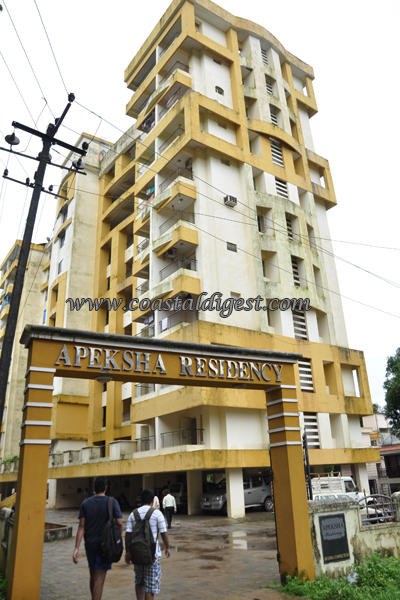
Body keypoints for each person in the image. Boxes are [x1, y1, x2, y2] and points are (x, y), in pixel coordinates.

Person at [73, 476, 123, 600]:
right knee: (99, 578)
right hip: (105, 545)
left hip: (89, 544)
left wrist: (76, 548)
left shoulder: (85, 503)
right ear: (106, 487)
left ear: (94, 487)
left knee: (93, 575)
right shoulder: (112, 502)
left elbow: (81, 526)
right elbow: (119, 523)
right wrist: (118, 539)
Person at [125, 488, 170, 600]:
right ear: (153, 500)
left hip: (136, 553)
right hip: (152, 555)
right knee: (149, 587)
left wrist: (127, 552)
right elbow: (164, 533)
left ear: (140, 499)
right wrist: (167, 547)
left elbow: (128, 535)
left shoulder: (133, 514)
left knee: (139, 581)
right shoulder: (157, 514)